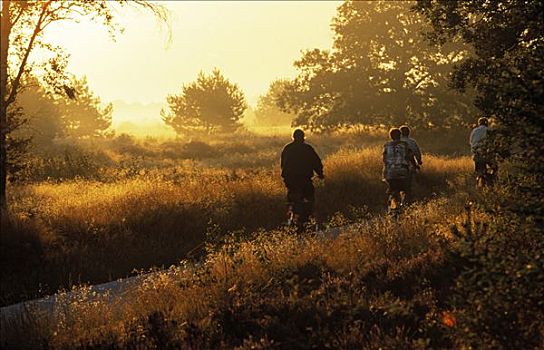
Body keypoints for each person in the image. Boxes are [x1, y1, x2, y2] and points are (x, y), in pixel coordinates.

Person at [281, 129, 324, 231]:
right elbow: (316, 163)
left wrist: (286, 179)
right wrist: (320, 174)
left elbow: (283, 165)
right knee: (309, 201)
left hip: (291, 182)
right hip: (305, 181)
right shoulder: (308, 149)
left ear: (293, 137)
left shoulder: (287, 148)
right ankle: (308, 221)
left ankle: (290, 221)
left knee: (292, 202)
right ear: (303, 138)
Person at [383, 128, 414, 212]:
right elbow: (410, 157)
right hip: (403, 171)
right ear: (400, 136)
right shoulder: (405, 145)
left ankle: (393, 205)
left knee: (392, 189)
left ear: (391, 136)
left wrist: (385, 173)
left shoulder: (386, 145)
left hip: (390, 173)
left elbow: (384, 160)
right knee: (407, 190)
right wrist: (414, 165)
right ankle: (405, 207)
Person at [470, 117, 495, 185]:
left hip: (476, 154)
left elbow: (471, 142)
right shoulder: (489, 130)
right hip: (486, 153)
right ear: (487, 123)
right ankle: (491, 181)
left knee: (479, 171)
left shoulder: (474, 131)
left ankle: (478, 182)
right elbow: (492, 142)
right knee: (495, 167)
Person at [399, 125, 422, 201]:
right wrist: (419, 162)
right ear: (409, 133)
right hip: (409, 166)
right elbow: (417, 153)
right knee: (409, 185)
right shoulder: (412, 142)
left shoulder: (395, 142)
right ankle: (408, 200)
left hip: (396, 166)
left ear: (400, 133)